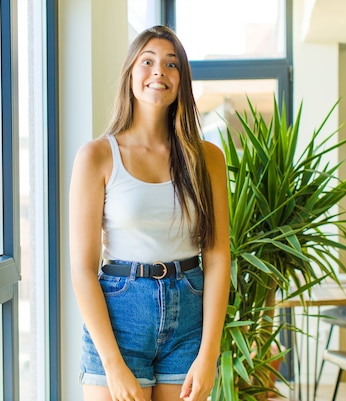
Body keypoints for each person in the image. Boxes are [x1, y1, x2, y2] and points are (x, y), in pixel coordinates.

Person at [69, 25, 231, 401]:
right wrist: (112, 363)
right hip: (119, 316)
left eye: (171, 64)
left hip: (189, 313)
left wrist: (209, 353)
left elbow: (219, 256)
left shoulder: (207, 159)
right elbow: (81, 268)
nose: (159, 71)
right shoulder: (96, 156)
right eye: (148, 61)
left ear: (181, 80)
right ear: (130, 75)